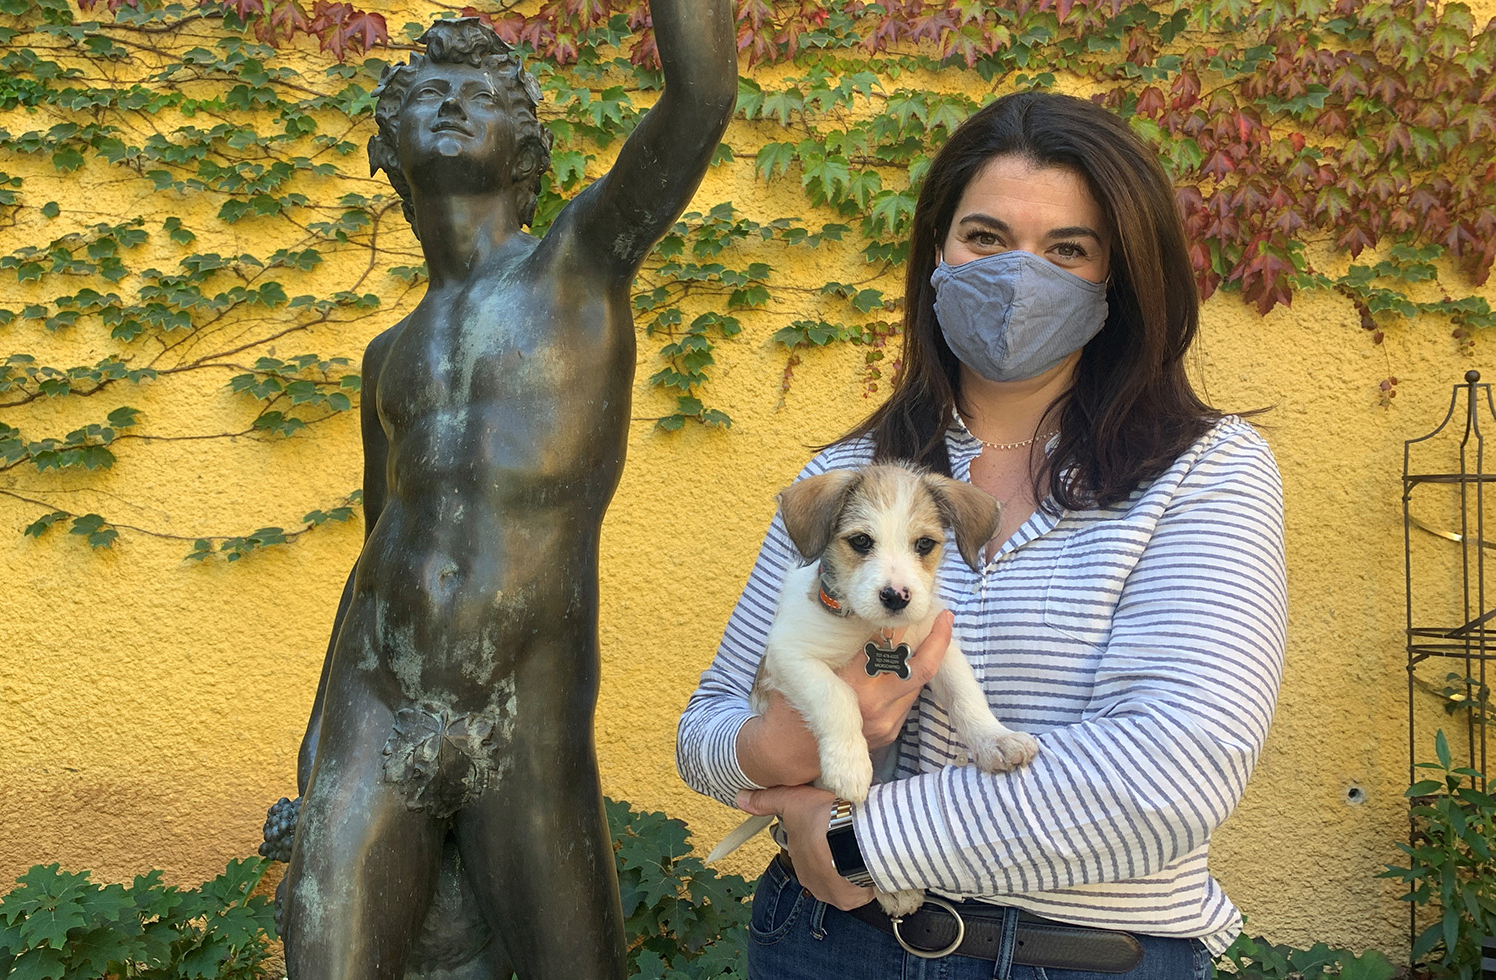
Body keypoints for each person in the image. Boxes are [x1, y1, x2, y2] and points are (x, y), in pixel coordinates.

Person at [677, 91, 1285, 979]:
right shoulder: (851, 477)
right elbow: (708, 726)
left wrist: (859, 839)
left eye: (1068, 249)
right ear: (937, 254)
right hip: (826, 946)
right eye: (985, 238)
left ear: (1120, 278)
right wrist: (767, 750)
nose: (1017, 275)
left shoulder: (1204, 471)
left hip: (1080, 957)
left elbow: (1174, 770)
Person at [280, 10, 736, 980]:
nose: (452, 101)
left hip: (523, 707)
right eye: (430, 94)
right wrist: (321, 737)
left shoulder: (578, 261)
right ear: (389, 153)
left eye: (481, 94)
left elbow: (700, 99)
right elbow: (377, 542)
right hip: (377, 699)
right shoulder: (386, 354)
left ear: (525, 147)